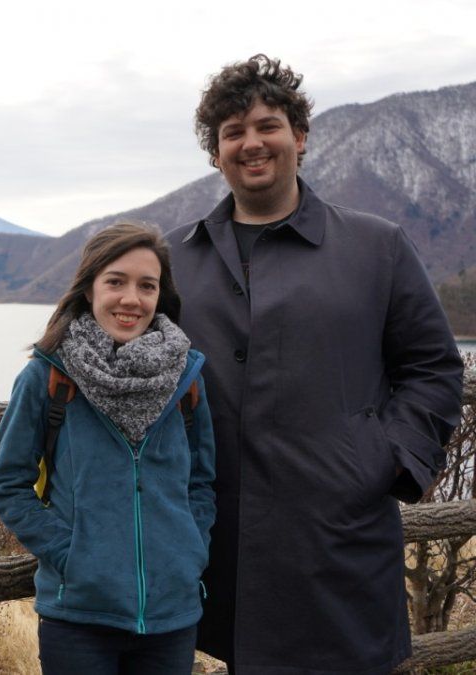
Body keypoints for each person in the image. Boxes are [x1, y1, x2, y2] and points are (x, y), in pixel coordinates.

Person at [167, 54, 465, 674]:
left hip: (339, 543)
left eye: (267, 126)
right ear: (215, 152)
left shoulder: (376, 245)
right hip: (217, 547)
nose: (252, 143)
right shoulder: (176, 259)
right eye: (232, 132)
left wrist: (380, 461)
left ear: (299, 137)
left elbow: (434, 368)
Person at [0, 222, 216, 674]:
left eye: (146, 286)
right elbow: (8, 484)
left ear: (160, 296)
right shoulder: (46, 377)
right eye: (116, 281)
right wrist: (72, 555)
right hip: (79, 617)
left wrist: (190, 549)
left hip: (171, 614)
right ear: (89, 288)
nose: (131, 299)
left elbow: (201, 481)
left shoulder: (186, 377)